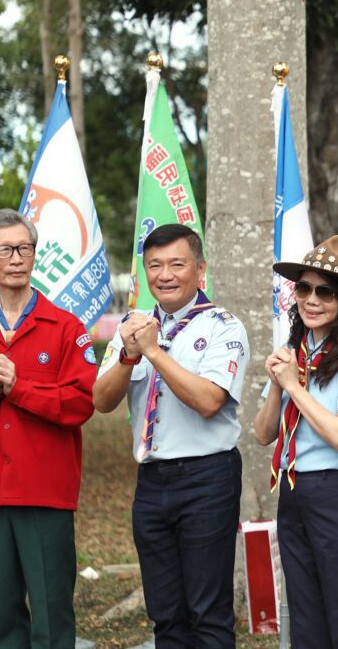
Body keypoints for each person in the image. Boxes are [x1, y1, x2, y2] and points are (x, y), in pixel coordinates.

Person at [93, 223, 249, 647]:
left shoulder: (223, 326)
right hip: (152, 482)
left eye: (176, 264)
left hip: (207, 478)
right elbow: (102, 401)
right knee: (165, 614)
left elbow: (208, 401)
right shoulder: (132, 327)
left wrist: (154, 351)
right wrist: (128, 354)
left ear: (199, 269)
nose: (165, 274)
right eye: (154, 265)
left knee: (208, 612)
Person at [0, 209, 96, 648]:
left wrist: (19, 388)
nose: (17, 258)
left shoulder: (66, 328)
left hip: (45, 489)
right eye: (5, 250)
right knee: (2, 615)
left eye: (25, 248)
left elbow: (81, 403)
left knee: (51, 611)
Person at [253, 235, 338, 649]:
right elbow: (262, 434)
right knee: (306, 614)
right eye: (304, 288)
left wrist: (294, 387)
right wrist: (279, 384)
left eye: (325, 291)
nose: (311, 300)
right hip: (295, 492)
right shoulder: (295, 351)